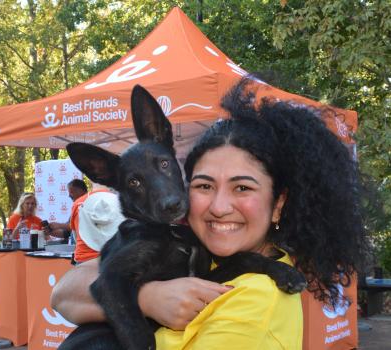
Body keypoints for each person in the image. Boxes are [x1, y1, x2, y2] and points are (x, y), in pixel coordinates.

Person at [51, 80, 368, 349]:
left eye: (242, 188)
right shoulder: (184, 237)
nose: (218, 207)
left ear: (279, 203)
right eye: (204, 185)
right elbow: (64, 292)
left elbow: (77, 292)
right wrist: (146, 299)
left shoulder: (254, 311)